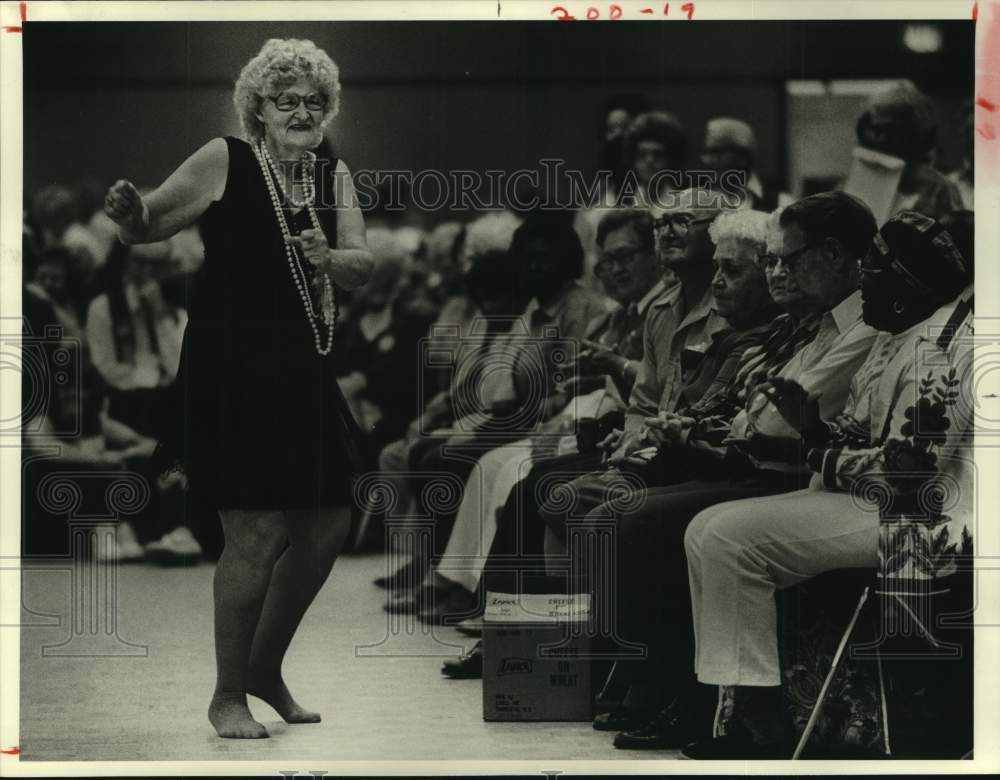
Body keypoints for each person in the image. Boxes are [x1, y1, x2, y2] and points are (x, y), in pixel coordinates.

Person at [103, 38, 373, 739]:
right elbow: (150, 225)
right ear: (257, 106)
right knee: (253, 531)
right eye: (287, 100)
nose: (302, 112)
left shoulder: (333, 173)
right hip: (233, 370)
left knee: (326, 524)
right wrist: (130, 210)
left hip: (302, 372)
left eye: (315, 102)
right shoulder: (225, 158)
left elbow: (362, 266)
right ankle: (226, 696)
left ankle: (264, 668)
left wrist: (332, 257)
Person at [681, 212, 970, 759]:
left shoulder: (946, 348)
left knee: (728, 537)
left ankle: (759, 721)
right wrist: (812, 425)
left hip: (921, 527)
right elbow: (861, 434)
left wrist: (815, 449)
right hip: (872, 505)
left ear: (912, 283)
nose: (863, 279)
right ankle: (741, 705)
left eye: (877, 269)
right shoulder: (895, 337)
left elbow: (907, 474)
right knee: (706, 528)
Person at [854, 80, 963, 220]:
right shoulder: (863, 181)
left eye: (891, 130)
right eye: (876, 130)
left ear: (914, 133)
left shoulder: (938, 189)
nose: (881, 139)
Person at [699, 117, 789, 211]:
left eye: (717, 152)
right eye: (706, 152)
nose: (706, 160)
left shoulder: (781, 203)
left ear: (742, 158)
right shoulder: (697, 201)